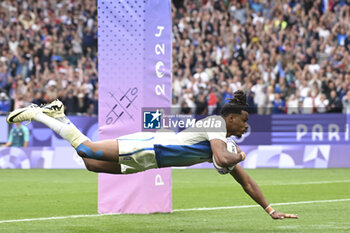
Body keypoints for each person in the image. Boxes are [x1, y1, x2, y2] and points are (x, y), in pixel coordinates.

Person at [6, 90, 298, 220]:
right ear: (231, 117)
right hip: (149, 145)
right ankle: (37, 113)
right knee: (86, 149)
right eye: (244, 120)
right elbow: (224, 160)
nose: (246, 127)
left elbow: (245, 182)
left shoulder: (221, 142)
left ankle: (60, 116)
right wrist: (239, 157)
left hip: (149, 162)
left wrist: (269, 210)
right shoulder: (216, 125)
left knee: (91, 164)